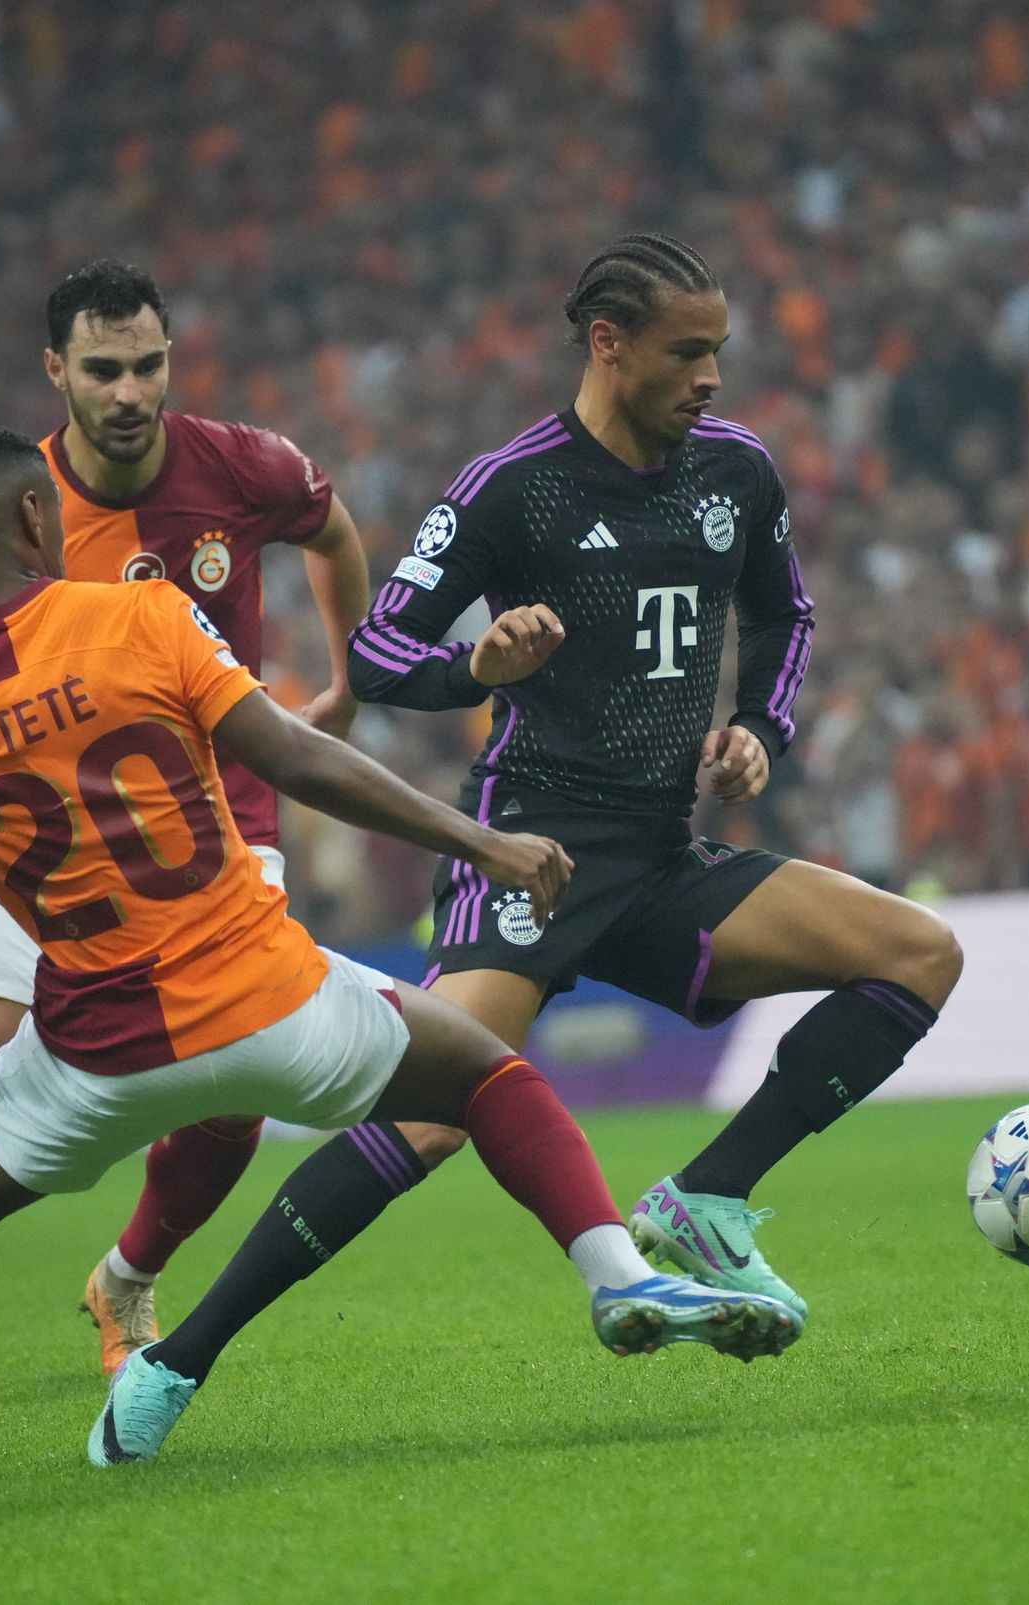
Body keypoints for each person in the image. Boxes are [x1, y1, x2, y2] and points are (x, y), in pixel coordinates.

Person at [0, 425, 797, 1502]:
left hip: (92, 1056)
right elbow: (305, 762)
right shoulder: (142, 614)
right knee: (487, 1077)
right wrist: (481, 837)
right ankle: (617, 1277)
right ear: (39, 517)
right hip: (270, 1006)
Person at [344, 234, 965, 1322]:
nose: (713, 376)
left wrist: (761, 726)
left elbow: (786, 614)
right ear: (608, 345)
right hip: (530, 845)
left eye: (719, 350)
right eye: (689, 352)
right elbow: (374, 648)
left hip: (661, 853)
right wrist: (471, 666)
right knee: (430, 1117)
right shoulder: (511, 486)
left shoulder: (736, 468)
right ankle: (178, 1349)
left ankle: (709, 1196)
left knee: (921, 950)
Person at [0, 259, 397, 1395]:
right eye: (104, 368)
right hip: (63, 822)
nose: (129, 391)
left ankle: (125, 1279)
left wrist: (349, 681)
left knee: (237, 1092)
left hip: (219, 814)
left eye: (148, 365)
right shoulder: (20, 506)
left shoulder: (246, 466)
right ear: (56, 370)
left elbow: (337, 534)